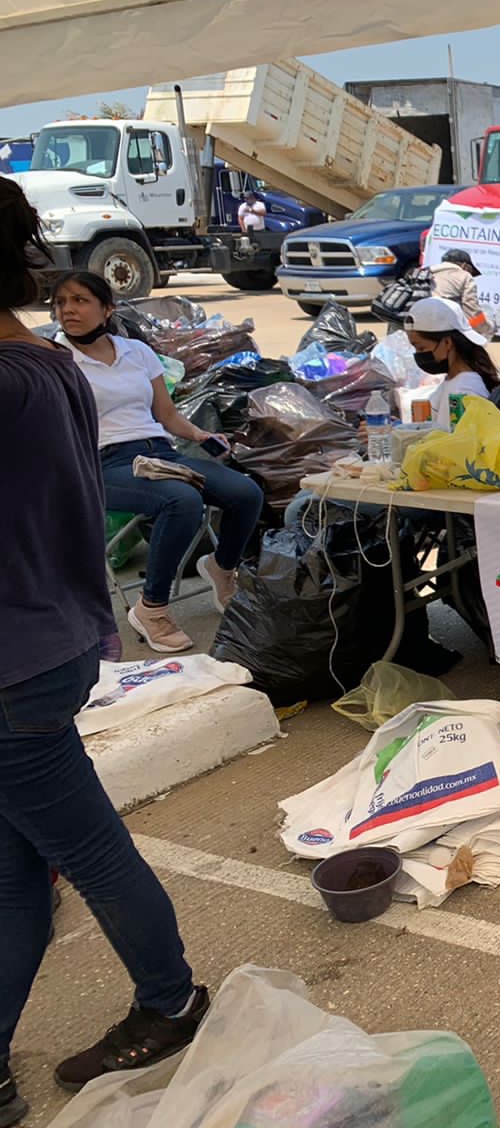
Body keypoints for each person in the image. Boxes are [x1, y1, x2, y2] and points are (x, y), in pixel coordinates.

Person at [0, 176, 209, 1128]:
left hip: (15, 659)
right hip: (51, 635)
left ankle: (170, 1000)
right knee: (17, 866)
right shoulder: (48, 368)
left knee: (84, 848)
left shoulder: (26, 378)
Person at [55, 271, 264, 655]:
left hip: (158, 452)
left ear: (107, 310)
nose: (68, 309)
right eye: (61, 302)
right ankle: (152, 608)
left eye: (80, 300)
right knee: (181, 500)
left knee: (245, 492)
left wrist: (200, 436)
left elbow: (166, 414)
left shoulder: (137, 352)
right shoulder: (57, 360)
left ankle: (221, 566)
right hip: (101, 464)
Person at [405, 296, 500, 426]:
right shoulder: (453, 379)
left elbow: (462, 441)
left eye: (421, 348)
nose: (418, 354)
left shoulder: (465, 390)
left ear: (447, 342)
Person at [431, 248, 489, 335]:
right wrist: (488, 327)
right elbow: (472, 313)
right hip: (443, 327)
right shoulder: (464, 276)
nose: (471, 274)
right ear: (465, 266)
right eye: (471, 270)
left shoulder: (426, 272)